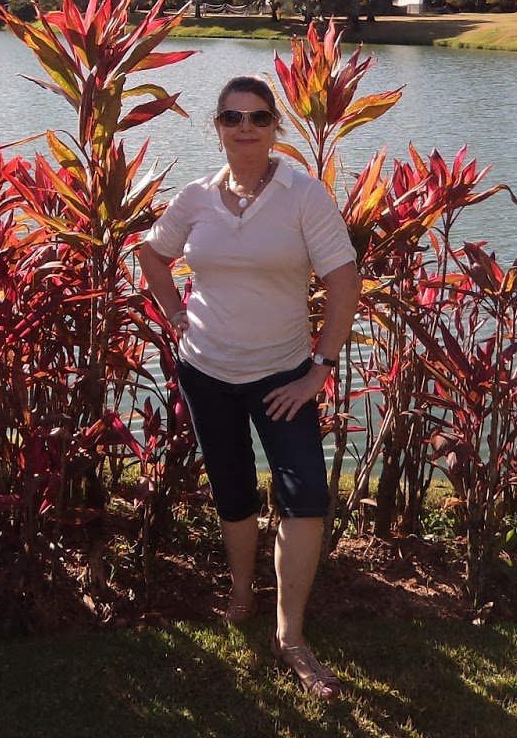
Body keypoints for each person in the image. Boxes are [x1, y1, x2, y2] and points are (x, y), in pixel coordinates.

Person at [140, 75, 359, 701]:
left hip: (283, 375)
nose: (245, 128)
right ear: (217, 127)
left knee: (305, 495)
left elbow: (344, 281)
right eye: (233, 117)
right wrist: (174, 313)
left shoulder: (303, 195)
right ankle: (241, 595)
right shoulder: (196, 197)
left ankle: (291, 637)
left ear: (274, 128)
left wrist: (320, 368)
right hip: (206, 370)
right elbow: (152, 255)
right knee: (231, 487)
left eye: (258, 117)